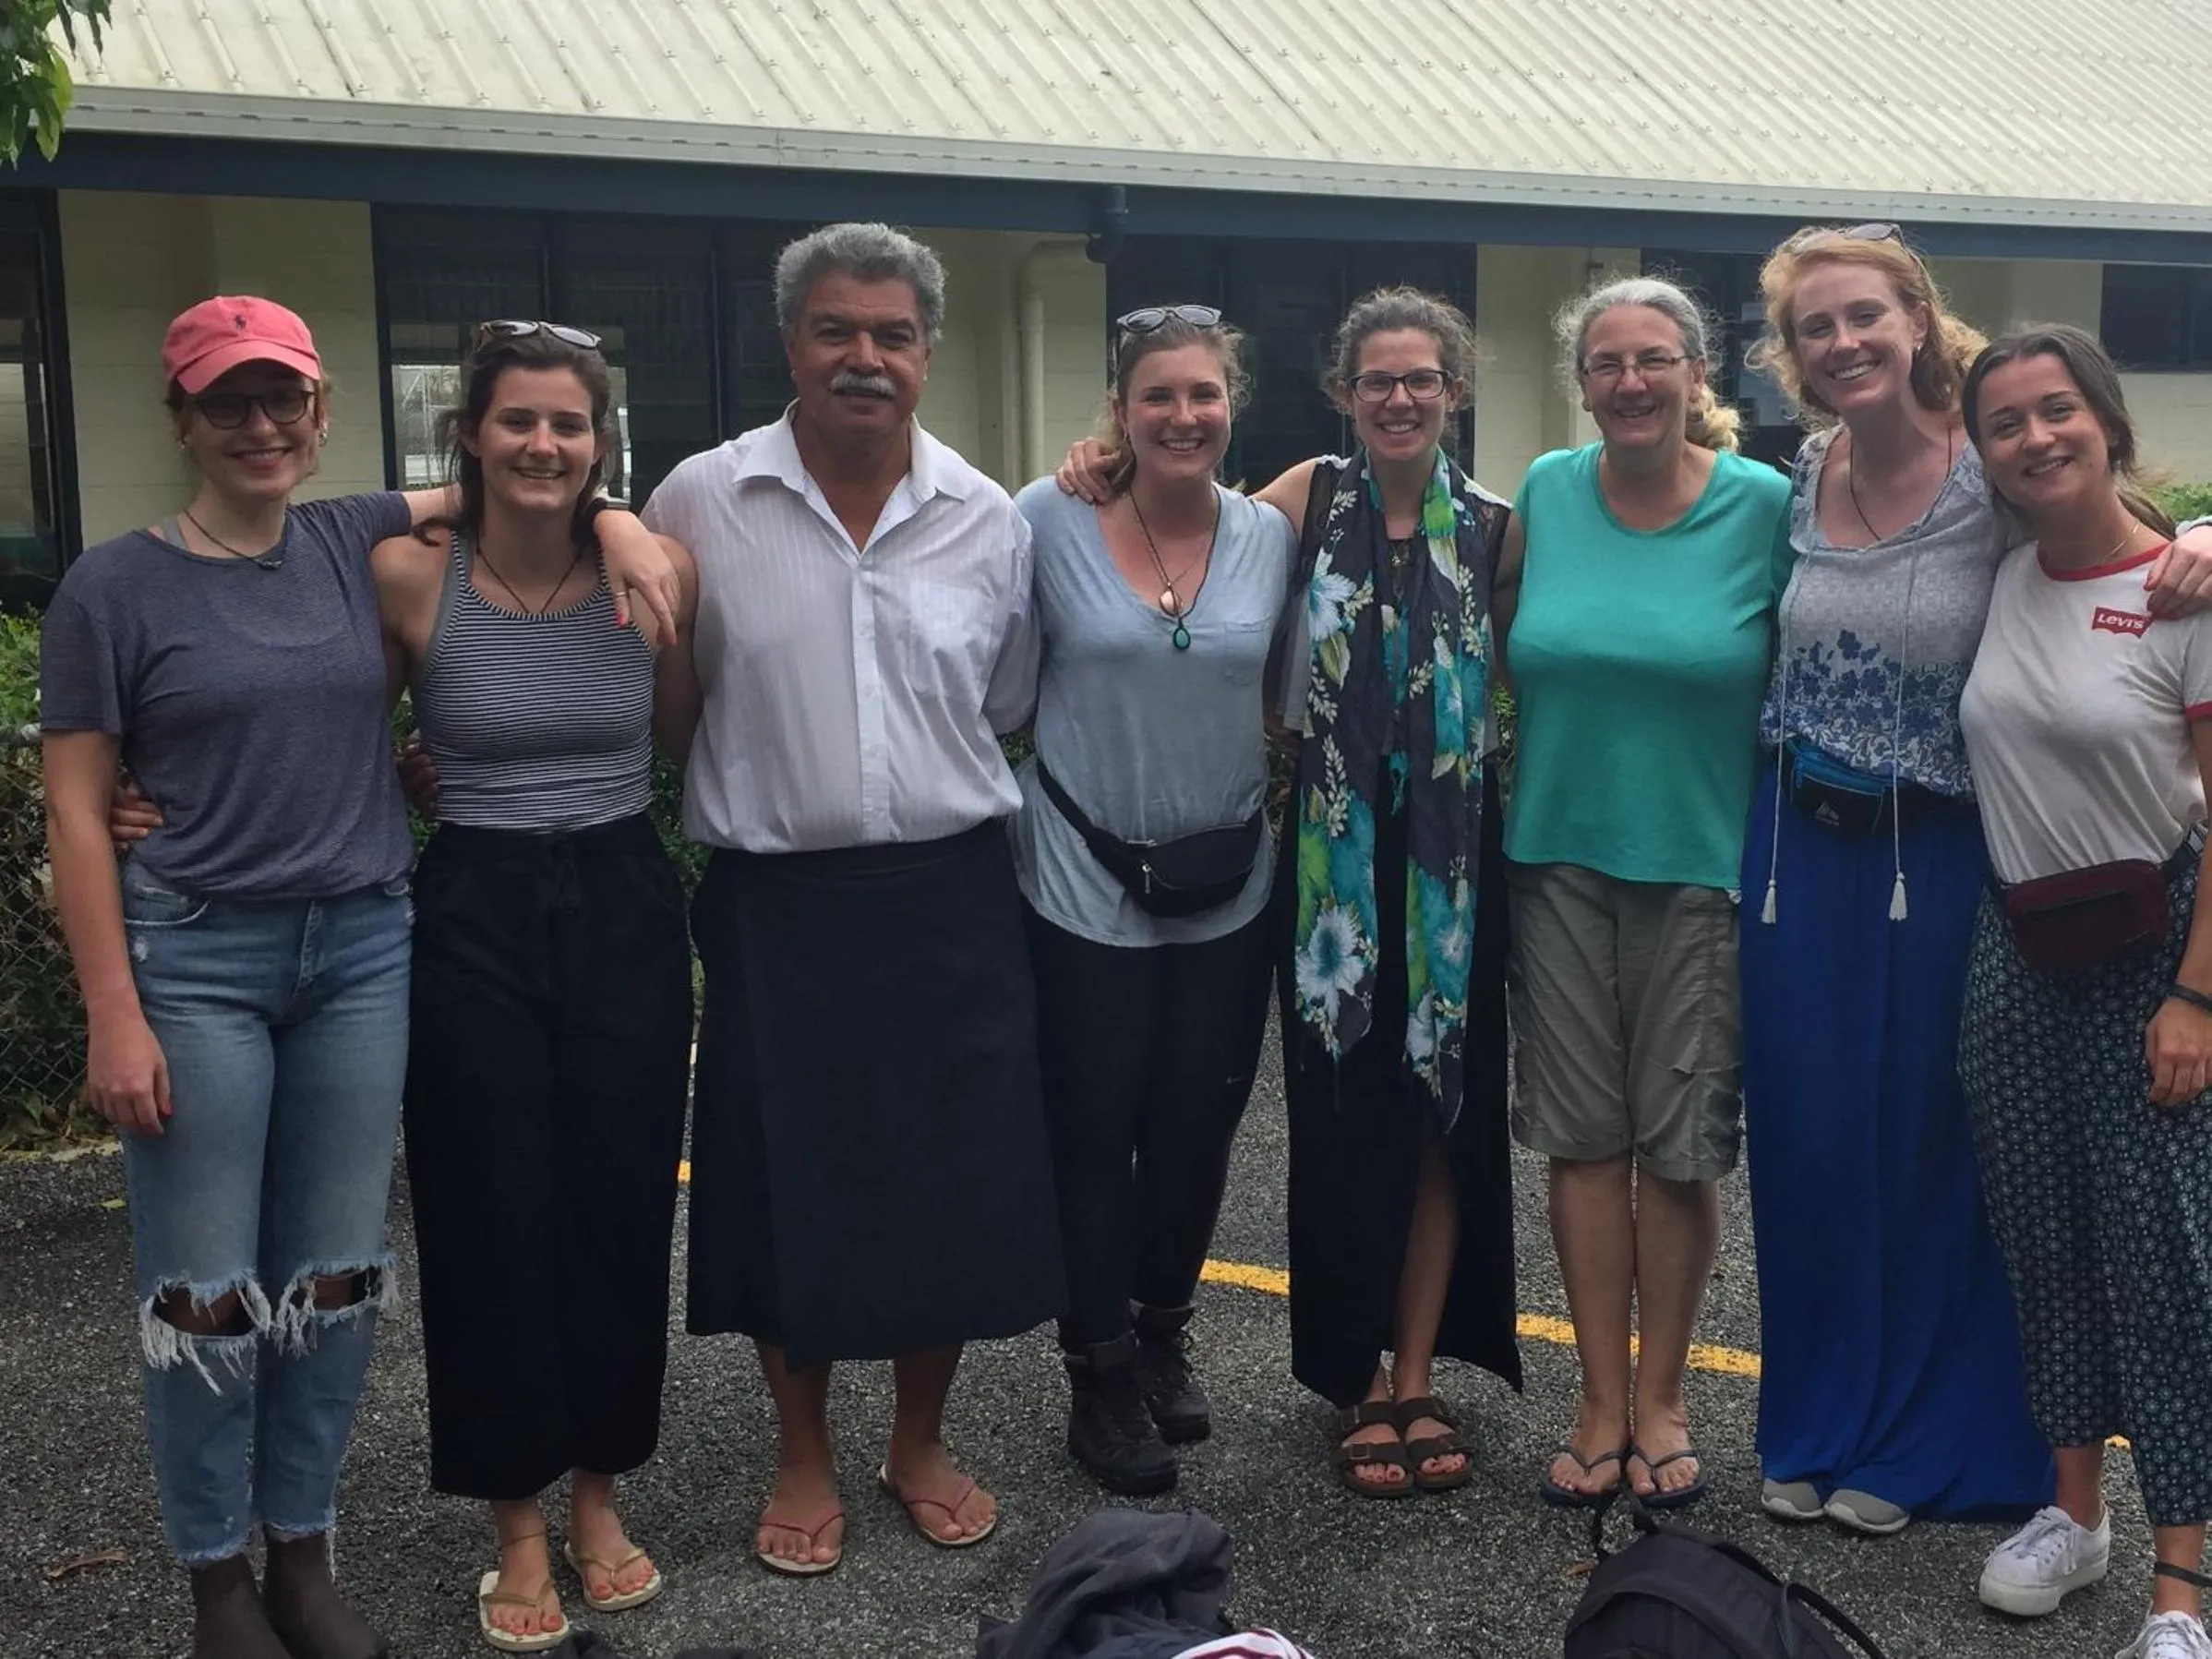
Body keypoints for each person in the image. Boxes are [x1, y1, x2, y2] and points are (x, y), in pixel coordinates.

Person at [39, 297, 676, 1659]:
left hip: (374, 941)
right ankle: (223, 1577)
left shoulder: (348, 538)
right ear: (180, 418)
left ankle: (311, 1554)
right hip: (221, 952)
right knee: (213, 1284)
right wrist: (113, 1005)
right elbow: (83, 807)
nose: (259, 425)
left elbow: (510, 496)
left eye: (283, 399)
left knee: (339, 1274)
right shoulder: (136, 582)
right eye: (226, 402)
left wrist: (620, 517)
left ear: (321, 411)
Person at [1739, 225, 2212, 1537]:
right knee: (1811, 1140)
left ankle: (1930, 1441)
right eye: (1817, 327)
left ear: (1917, 318)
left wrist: (2209, 533)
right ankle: (1817, 1420)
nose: (1845, 343)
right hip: (1795, 851)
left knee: (1935, 1149)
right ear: (1794, 355)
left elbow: (2120, 532)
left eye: (1866, 316)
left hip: (1942, 852)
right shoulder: (1802, 475)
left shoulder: (1991, 466)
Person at [640, 222, 1063, 1576]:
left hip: (951, 897)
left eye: (892, 334)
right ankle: (803, 1450)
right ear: (791, 344)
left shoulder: (987, 517)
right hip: (778, 905)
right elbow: (663, 695)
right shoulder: (699, 501)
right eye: (836, 330)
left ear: (927, 352)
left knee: (949, 1178)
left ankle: (918, 1442)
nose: (863, 357)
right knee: (786, 1181)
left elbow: (1003, 702)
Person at [1064, 283, 1522, 1499]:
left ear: (1454, 390)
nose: (1400, 397)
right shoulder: (1300, 503)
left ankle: (1416, 1373)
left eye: (1421, 378)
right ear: (1341, 392)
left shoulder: (1498, 529)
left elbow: (1514, 678)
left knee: (1440, 1125)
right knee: (1340, 1125)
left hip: (1452, 870)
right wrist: (1103, 461)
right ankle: (1356, 1378)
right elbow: (1183, 520)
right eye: (1377, 379)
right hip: (1329, 871)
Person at [373, 323, 696, 1651]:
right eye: (517, 420)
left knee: (619, 1203)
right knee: (485, 1211)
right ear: (470, 434)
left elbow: (682, 733)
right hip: (474, 904)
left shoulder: (655, 569)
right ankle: (515, 1519)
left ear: (600, 441)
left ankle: (601, 1493)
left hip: (622, 893)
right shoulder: (408, 573)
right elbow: (330, 732)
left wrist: (624, 530)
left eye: (570, 424)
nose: (543, 445)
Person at [1495, 275, 1789, 1511]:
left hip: (1702, 871)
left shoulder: (1764, 506)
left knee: (1678, 1152)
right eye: (1607, 363)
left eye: (1654, 359)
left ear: (1695, 373)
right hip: (1556, 860)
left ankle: (1663, 1397)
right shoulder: (1546, 493)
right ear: (1583, 384)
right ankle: (1600, 1401)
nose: (1630, 381)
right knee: (1582, 1141)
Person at [1955, 323, 2212, 1659]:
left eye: (2058, 410)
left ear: (2107, 421)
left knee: (2163, 1265)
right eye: (2005, 422)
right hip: (2018, 949)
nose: (2036, 438)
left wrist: (2197, 1000)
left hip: (2154, 953)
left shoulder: (2186, 594)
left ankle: (2180, 1593)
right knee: (2045, 1243)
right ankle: (2076, 1515)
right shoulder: (2007, 575)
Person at [1013, 304, 1292, 1495]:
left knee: (1196, 1124)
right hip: (1079, 877)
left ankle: (1163, 1331)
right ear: (1120, 411)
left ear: (1234, 405)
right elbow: (996, 682)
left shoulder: (1274, 533)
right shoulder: (1045, 517)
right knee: (1092, 1131)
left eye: (1204, 394)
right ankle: (1099, 1370)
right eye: (1157, 396)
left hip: (1229, 880)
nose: (1184, 415)